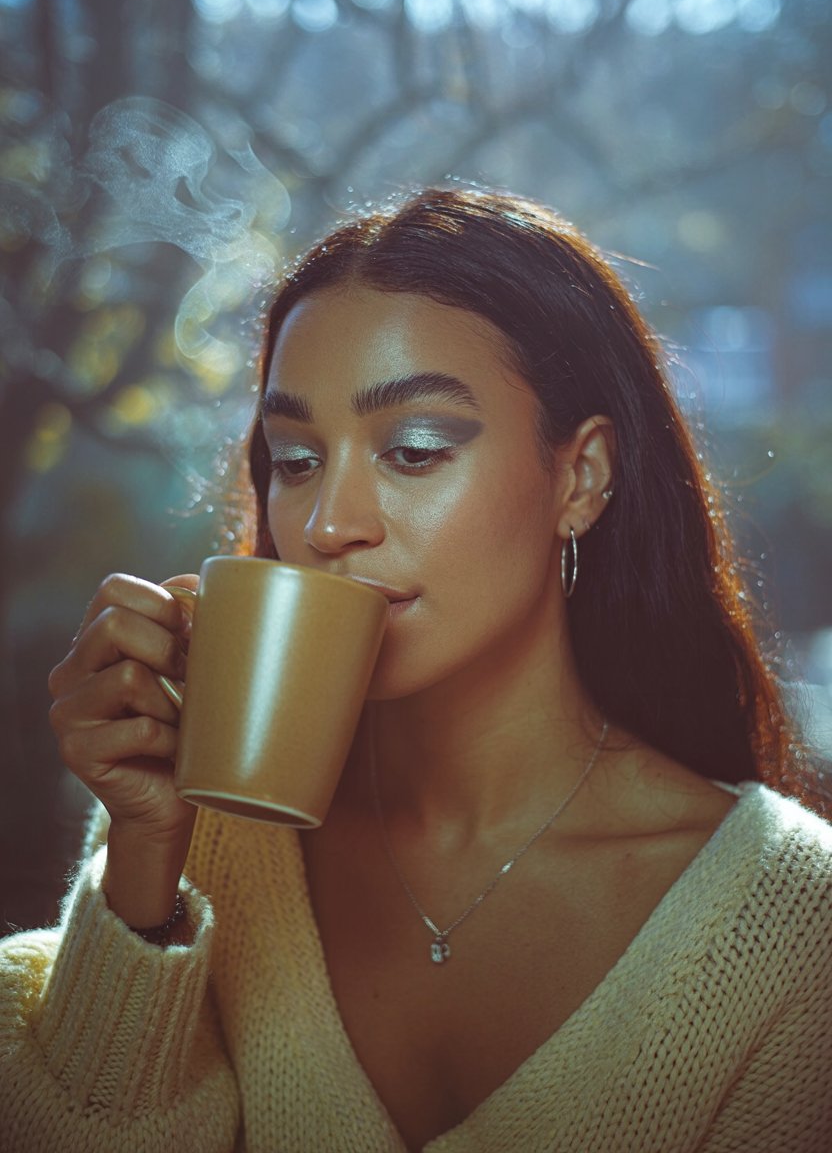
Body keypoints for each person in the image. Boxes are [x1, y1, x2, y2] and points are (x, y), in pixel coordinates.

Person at [1, 187, 830, 1152]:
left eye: (415, 449)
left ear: (582, 477)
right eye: (296, 459)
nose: (326, 523)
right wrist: (142, 864)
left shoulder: (792, 933)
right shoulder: (207, 842)